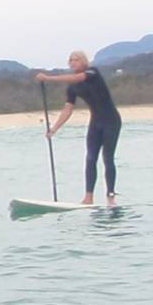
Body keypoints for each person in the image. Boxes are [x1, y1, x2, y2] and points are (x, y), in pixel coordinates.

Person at [36, 51, 121, 206]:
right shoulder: (72, 88)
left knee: (107, 158)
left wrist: (48, 78)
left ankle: (110, 197)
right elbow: (68, 109)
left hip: (111, 121)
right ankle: (88, 198)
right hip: (95, 122)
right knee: (90, 158)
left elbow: (77, 78)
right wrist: (54, 129)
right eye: (70, 60)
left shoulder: (93, 72)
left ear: (83, 62)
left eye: (76, 59)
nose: (73, 62)